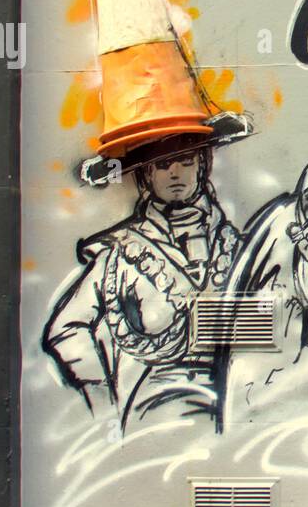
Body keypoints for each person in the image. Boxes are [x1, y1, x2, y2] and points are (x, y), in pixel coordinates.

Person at [42, 146, 242, 433]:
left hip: (231, 413)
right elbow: (66, 328)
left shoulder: (237, 248)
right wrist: (103, 402)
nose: (174, 173)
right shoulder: (120, 254)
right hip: (152, 417)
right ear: (147, 175)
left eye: (185, 161)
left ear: (202, 167)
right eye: (162, 165)